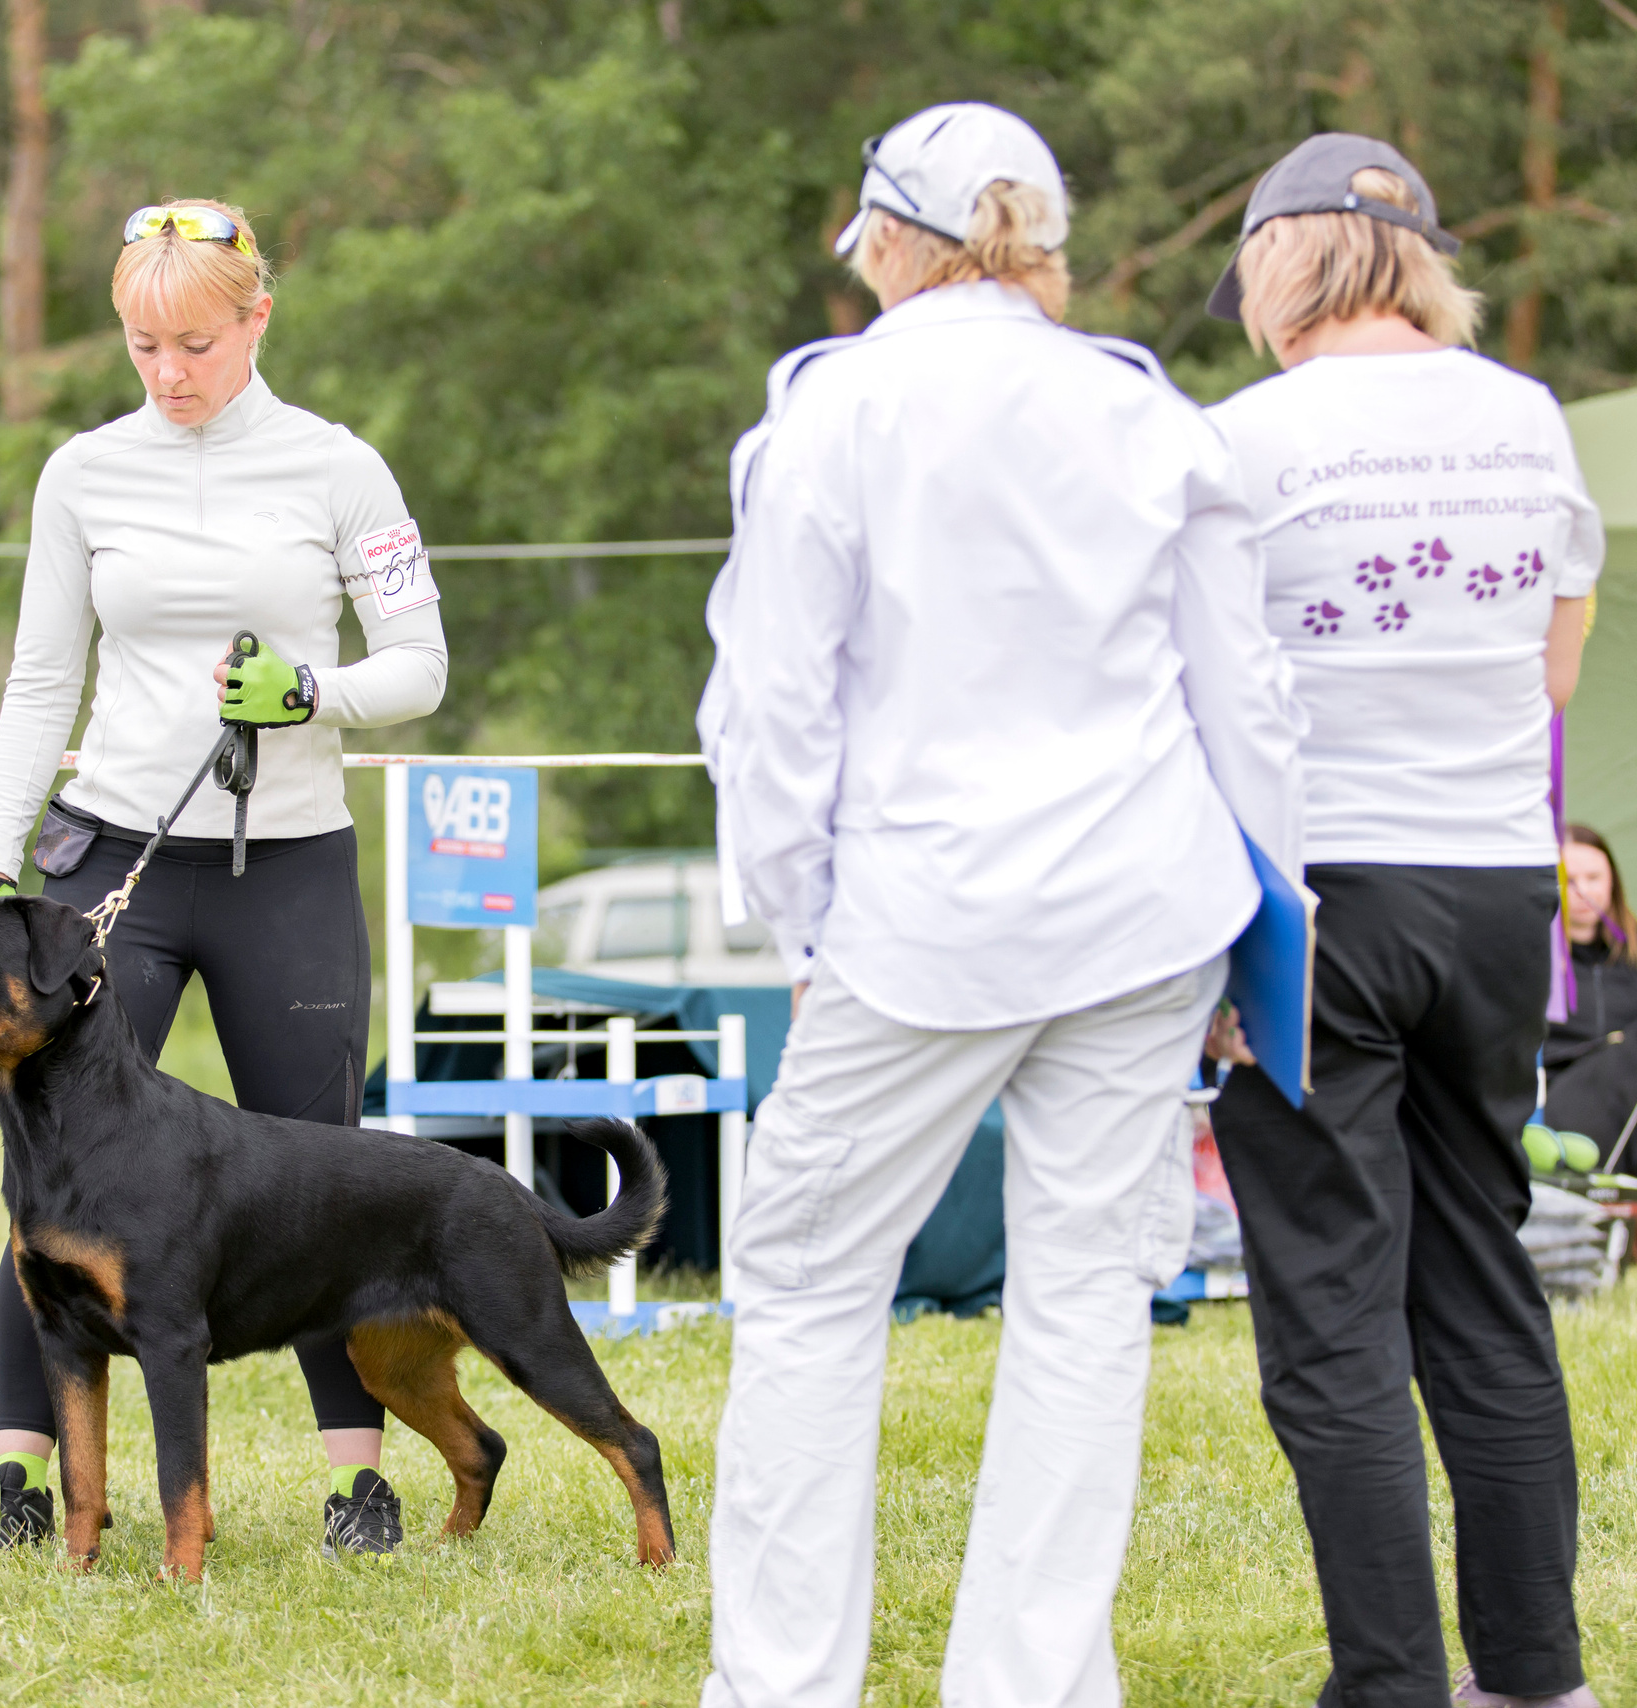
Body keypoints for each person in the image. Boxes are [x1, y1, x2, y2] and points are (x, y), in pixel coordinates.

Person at [697, 104, 1303, 1707]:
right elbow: (1244, 696)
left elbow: (772, 708)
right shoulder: (1147, 409)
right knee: (1088, 1301)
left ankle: (781, 1687)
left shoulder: (834, 410)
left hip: (923, 912)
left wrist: (801, 927)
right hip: (1145, 903)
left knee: (811, 1283)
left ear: (896, 245)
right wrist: (1266, 934)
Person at [0, 198, 450, 1558]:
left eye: (196, 345)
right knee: (59, 1173)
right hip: (120, 863)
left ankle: (359, 1483)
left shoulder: (341, 468)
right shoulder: (82, 473)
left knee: (326, 1174)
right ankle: (18, 1476)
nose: (168, 374)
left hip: (289, 870)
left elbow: (421, 664)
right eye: (142, 347)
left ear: (258, 319)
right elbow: (41, 677)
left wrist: (314, 692)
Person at [1201, 133, 1607, 1708]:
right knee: (1485, 1283)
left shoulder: (1243, 439)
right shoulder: (1528, 417)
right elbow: (1556, 672)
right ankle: (1537, 1678)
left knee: (1332, 1311)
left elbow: (1204, 690)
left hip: (1325, 897)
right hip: (1499, 890)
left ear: (1284, 264)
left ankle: (1390, 1686)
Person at [1547, 825, 1637, 1161]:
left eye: (1594, 878)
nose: (1583, 891)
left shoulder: (1632, 956)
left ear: (1612, 880)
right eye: (1569, 881)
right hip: (1560, 1098)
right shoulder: (1531, 959)